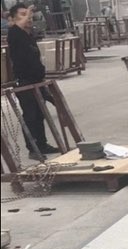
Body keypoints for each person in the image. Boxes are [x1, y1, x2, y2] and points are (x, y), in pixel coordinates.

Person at [6, 2, 60, 160]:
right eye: (22, 15)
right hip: (24, 82)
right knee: (30, 116)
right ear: (13, 19)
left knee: (40, 114)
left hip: (37, 80)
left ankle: (42, 144)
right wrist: (29, 11)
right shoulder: (14, 33)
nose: (28, 18)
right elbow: (19, 25)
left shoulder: (28, 35)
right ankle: (33, 149)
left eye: (28, 15)